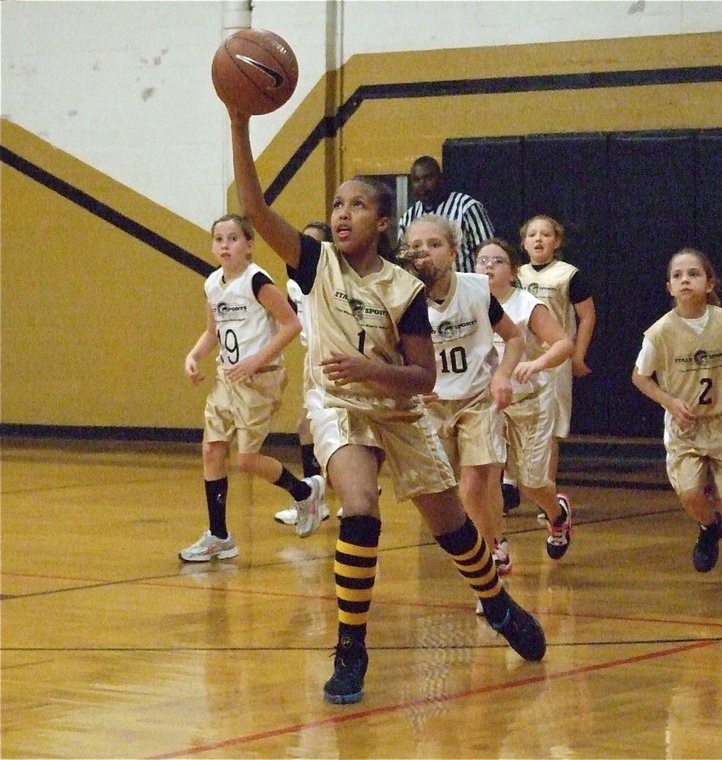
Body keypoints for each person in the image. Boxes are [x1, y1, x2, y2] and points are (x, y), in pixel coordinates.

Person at [228, 108, 547, 705]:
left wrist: (370, 368)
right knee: (359, 504)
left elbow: (422, 378)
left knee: (451, 527)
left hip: (396, 404)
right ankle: (351, 647)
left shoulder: (405, 291)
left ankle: (498, 604)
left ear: (381, 222)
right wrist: (240, 123)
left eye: (355, 205)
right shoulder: (314, 262)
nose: (342, 213)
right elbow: (254, 206)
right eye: (338, 205)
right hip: (337, 401)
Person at [178, 213, 325, 562]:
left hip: (261, 378)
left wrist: (255, 361)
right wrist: (194, 355)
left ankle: (304, 492)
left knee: (245, 459)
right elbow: (213, 331)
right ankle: (219, 535)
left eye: (232, 238)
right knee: (212, 450)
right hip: (228, 377)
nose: (225, 245)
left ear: (249, 245)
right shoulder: (213, 283)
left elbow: (292, 324)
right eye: (219, 239)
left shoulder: (257, 280)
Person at [631, 247, 722, 587]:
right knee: (690, 494)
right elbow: (640, 377)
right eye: (678, 276)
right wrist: (669, 402)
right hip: (686, 426)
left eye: (693, 274)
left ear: (709, 283)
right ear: (669, 287)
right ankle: (709, 527)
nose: (685, 280)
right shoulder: (659, 333)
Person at [401, 215, 524, 576]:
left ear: (453, 252)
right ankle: (493, 542)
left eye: (434, 244)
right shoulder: (402, 298)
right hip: (432, 405)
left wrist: (502, 375)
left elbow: (515, 338)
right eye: (416, 246)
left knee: (473, 486)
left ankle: (487, 566)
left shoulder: (476, 289)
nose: (424, 252)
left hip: (477, 398)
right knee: (444, 494)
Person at [474, 238, 575, 563]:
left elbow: (563, 344)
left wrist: (536, 363)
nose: (488, 266)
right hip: (487, 402)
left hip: (530, 399)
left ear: (514, 272)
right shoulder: (469, 302)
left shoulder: (526, 304)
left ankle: (556, 514)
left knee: (531, 483)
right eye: (482, 260)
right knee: (489, 475)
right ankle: (496, 547)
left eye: (498, 261)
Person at [514, 214, 596, 520]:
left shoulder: (568, 275)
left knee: (550, 429)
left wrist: (578, 355)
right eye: (532, 234)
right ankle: (510, 486)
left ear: (556, 241)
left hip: (555, 358)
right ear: (523, 242)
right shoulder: (514, 274)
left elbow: (587, 316)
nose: (538, 239)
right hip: (519, 358)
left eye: (545, 234)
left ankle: (545, 493)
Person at [274, 221, 333, 527]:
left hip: (335, 358)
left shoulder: (330, 279)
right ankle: (317, 497)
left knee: (341, 428)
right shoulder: (294, 284)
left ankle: (329, 493)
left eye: (313, 243)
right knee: (307, 426)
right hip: (314, 360)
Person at [396, 155, 495, 273]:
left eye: (428, 178)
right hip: (424, 287)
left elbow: (489, 252)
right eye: (416, 180)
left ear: (440, 178)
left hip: (465, 286)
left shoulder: (466, 207)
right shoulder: (407, 218)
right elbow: (403, 261)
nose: (422, 184)